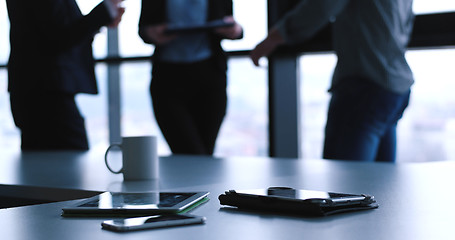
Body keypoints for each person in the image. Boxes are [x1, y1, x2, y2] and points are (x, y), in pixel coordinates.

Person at [250, 0, 415, 162]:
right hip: (395, 87)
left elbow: (320, 7)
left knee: (342, 182)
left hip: (364, 84)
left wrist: (274, 36)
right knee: (379, 183)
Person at [6, 0, 125, 151]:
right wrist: (104, 11)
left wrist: (100, 19)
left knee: (46, 162)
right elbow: (58, 37)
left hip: (37, 89)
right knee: (70, 158)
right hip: (45, 92)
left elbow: (49, 30)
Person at [138, 0, 243, 155]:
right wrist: (152, 33)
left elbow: (232, 25)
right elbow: (143, 30)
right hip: (168, 81)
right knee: (189, 152)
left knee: (204, 152)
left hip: (210, 77)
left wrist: (235, 29)